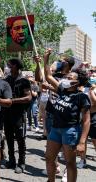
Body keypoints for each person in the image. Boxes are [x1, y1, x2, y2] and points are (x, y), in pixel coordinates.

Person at [43, 49, 91, 182]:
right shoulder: (62, 90)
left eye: (69, 78)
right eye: (66, 77)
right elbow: (48, 76)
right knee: (49, 157)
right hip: (55, 129)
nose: (65, 79)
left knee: (70, 163)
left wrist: (81, 142)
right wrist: (46, 59)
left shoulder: (81, 97)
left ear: (76, 83)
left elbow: (86, 121)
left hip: (70, 131)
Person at [1, 58, 32, 174]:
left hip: (19, 115)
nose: (7, 67)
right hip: (7, 115)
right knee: (9, 138)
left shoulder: (24, 81)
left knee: (20, 140)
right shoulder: (6, 80)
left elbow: (28, 98)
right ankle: (11, 161)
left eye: (9, 65)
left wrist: (12, 101)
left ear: (15, 66)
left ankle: (21, 162)